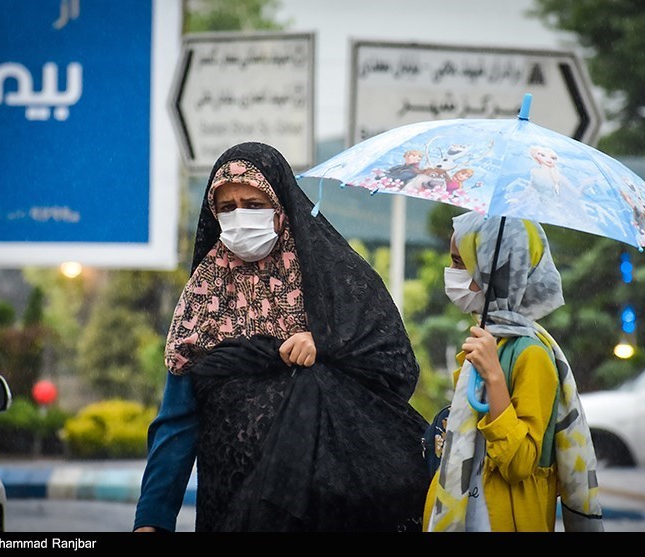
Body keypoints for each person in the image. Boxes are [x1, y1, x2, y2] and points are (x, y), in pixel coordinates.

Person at [133, 141, 431, 532]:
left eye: (254, 204)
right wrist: (152, 518)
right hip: (229, 504)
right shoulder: (203, 295)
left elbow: (393, 366)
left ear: (281, 207)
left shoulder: (330, 280)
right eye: (227, 207)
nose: (240, 216)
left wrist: (325, 344)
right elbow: (177, 420)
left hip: (323, 506)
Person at [423, 211, 604, 532]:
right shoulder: (488, 342)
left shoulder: (532, 354)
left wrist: (494, 376)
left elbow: (520, 463)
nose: (451, 273)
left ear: (493, 271)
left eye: (460, 262)